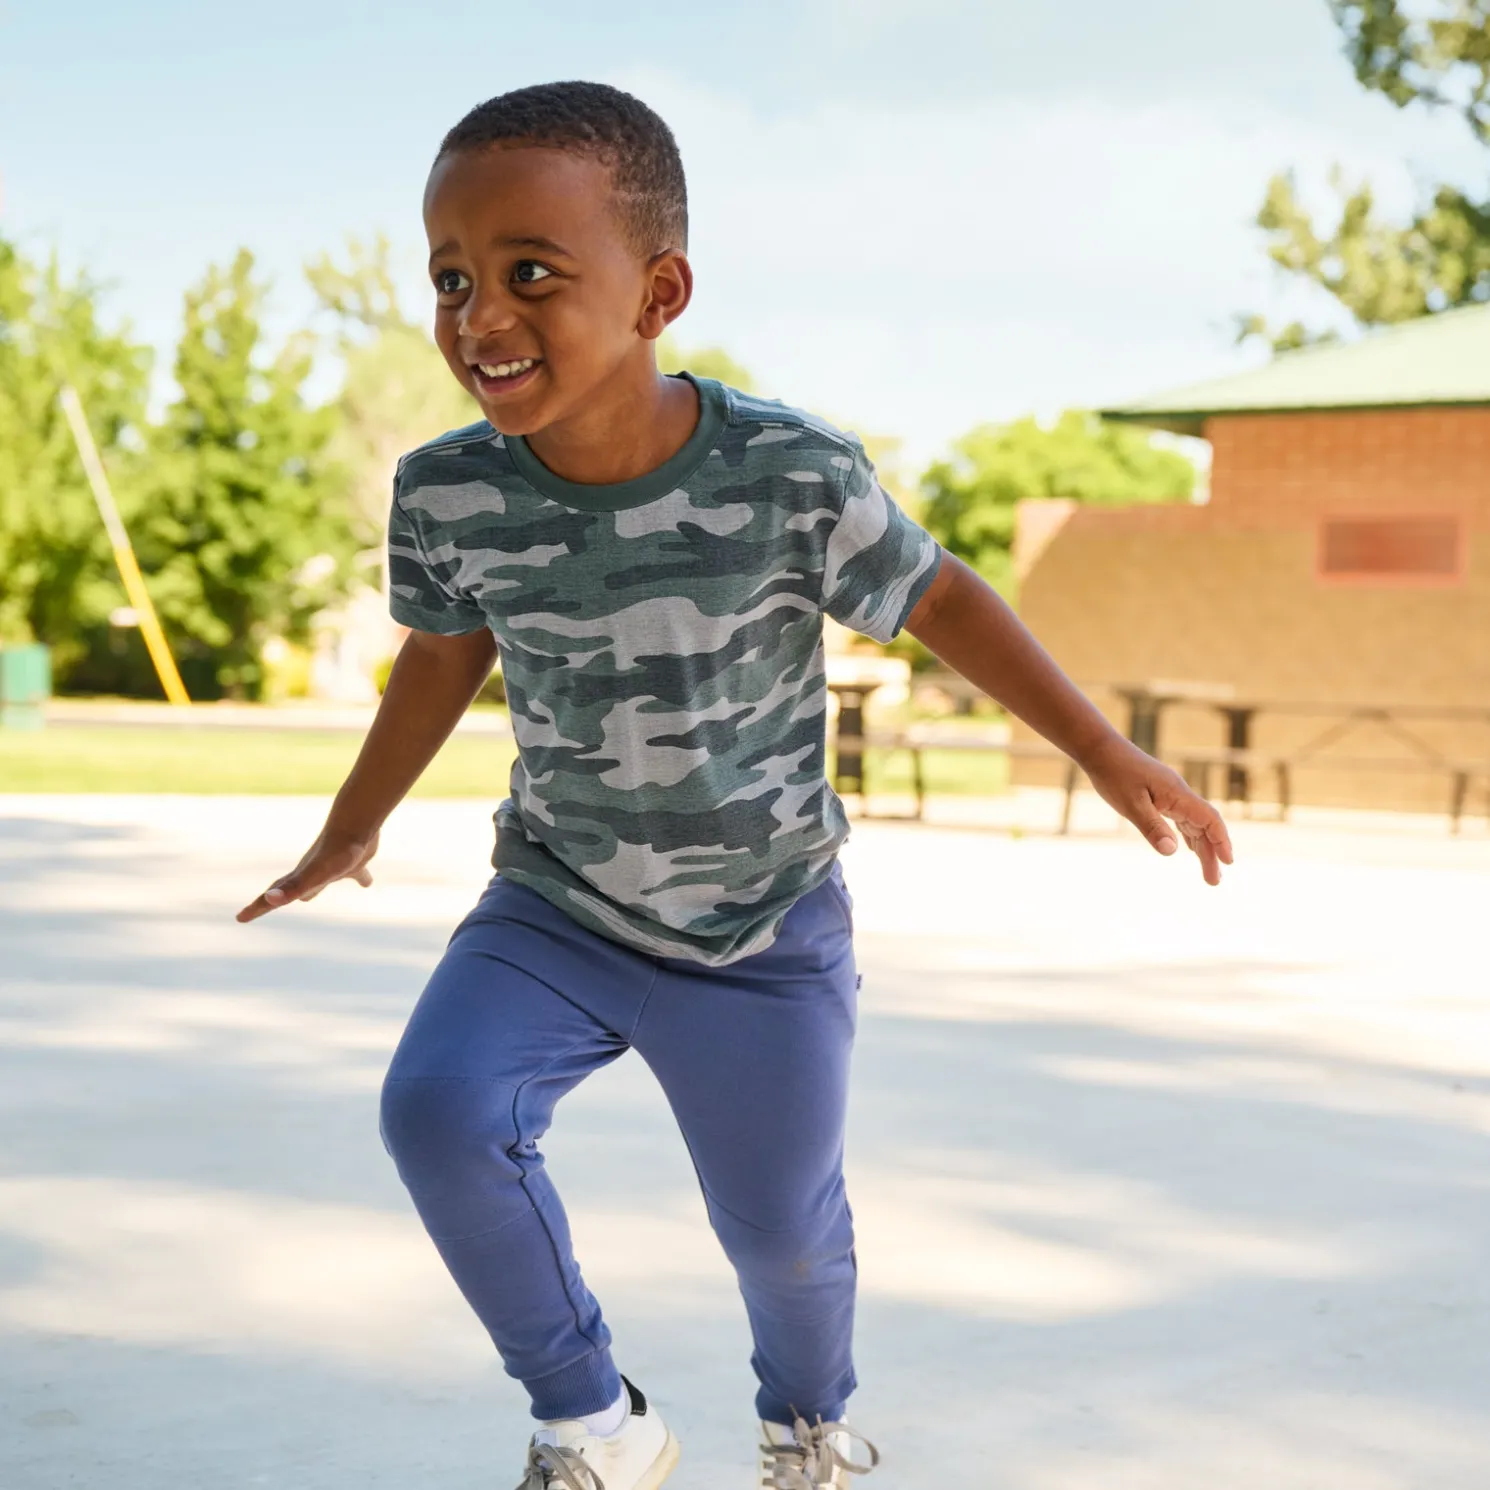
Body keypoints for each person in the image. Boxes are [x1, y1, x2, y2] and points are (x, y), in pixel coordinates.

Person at [238, 80, 1232, 1490]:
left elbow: (939, 595)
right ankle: (591, 1419)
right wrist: (350, 828)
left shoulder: (785, 471)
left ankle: (807, 1426)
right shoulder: (448, 491)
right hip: (558, 903)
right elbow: (439, 651)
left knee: (780, 1228)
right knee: (437, 1107)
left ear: (657, 291)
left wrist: (1103, 748)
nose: (478, 316)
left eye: (529, 273)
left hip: (763, 923)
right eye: (450, 277)